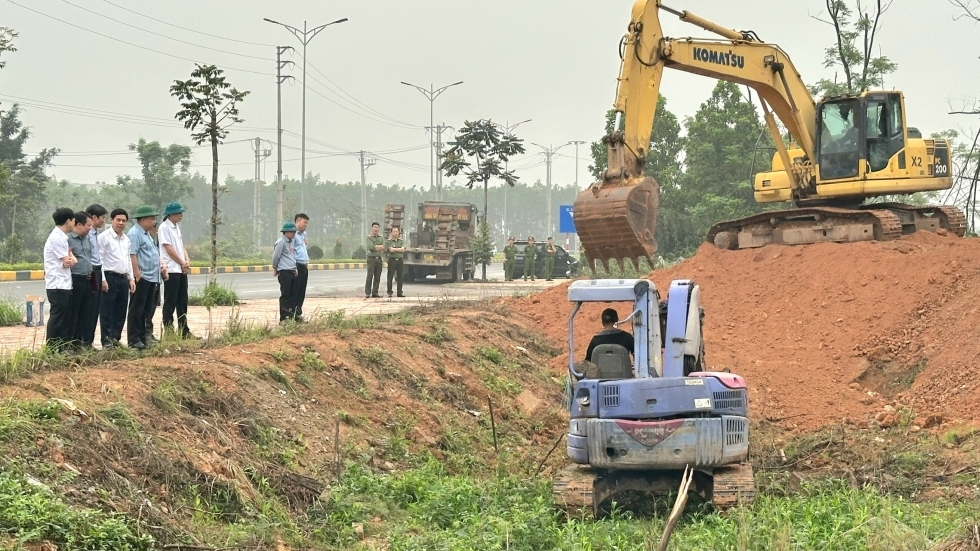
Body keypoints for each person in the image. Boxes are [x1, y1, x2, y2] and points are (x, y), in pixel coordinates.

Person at [127, 205, 163, 350]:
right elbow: (132, 254)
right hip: (142, 277)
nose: (154, 222)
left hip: (152, 277)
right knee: (137, 309)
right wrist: (136, 274)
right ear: (143, 220)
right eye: (151, 219)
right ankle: (134, 339)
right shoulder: (135, 233)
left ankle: (143, 337)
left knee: (146, 310)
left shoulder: (146, 234)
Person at [98, 208, 135, 349]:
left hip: (123, 278)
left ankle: (115, 339)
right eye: (118, 220)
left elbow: (128, 259)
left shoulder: (126, 239)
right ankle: (106, 341)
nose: (121, 223)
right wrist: (102, 279)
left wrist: (131, 279)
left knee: (120, 310)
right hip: (109, 277)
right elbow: (99, 260)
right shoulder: (104, 237)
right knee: (107, 311)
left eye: (123, 221)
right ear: (111, 220)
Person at [43, 207, 77, 352]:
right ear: (68, 220)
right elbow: (68, 261)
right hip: (57, 284)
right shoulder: (57, 237)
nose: (74, 223)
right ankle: (51, 348)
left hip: (64, 283)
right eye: (73, 220)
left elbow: (70, 260)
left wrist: (70, 259)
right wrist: (70, 259)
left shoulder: (62, 237)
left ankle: (62, 346)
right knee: (57, 317)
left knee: (64, 317)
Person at [159, 201, 193, 338]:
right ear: (170, 214)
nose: (181, 215)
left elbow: (181, 246)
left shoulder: (176, 227)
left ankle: (184, 330)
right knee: (170, 301)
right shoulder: (164, 227)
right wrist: (181, 262)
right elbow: (168, 248)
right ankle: (168, 330)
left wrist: (187, 260)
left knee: (182, 301)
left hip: (180, 268)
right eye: (178, 213)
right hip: (172, 269)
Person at [66, 211, 94, 350]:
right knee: (73, 313)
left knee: (85, 313)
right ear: (78, 224)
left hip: (88, 279)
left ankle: (79, 343)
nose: (90, 228)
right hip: (75, 280)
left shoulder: (87, 238)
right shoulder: (68, 239)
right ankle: (69, 343)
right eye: (88, 225)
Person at [82, 204, 107, 348]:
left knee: (95, 308)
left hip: (97, 270)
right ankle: (85, 341)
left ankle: (89, 342)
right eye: (102, 218)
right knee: (89, 308)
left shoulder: (95, 234)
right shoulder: (86, 234)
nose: (104, 221)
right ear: (94, 217)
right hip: (90, 271)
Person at [272, 222, 299, 323]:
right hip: (284, 272)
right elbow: (276, 257)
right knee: (285, 295)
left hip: (292, 271)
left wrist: (295, 268)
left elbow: (291, 256)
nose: (293, 234)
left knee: (292, 295)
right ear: (285, 232)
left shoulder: (291, 242)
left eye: (294, 232)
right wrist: (275, 268)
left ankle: (291, 316)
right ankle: (284, 318)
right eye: (292, 232)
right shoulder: (281, 242)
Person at [144, 222, 162, 343]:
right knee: (146, 309)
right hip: (147, 278)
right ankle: (145, 334)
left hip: (156, 277)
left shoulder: (151, 239)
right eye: (154, 226)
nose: (156, 229)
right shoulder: (141, 237)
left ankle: (149, 333)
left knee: (152, 306)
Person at [291, 213, 310, 320]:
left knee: (302, 291)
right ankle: (291, 314)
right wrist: (294, 267)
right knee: (295, 291)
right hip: (297, 266)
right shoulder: (293, 235)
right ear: (297, 221)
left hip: (304, 265)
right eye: (304, 222)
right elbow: (291, 252)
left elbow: (303, 249)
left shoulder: (304, 235)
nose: (306, 225)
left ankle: (298, 314)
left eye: (307, 223)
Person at [364, 222, 384, 298]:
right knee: (370, 276)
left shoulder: (381, 238)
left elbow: (384, 247)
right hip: (371, 259)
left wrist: (376, 247)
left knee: (377, 276)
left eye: (377, 227)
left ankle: (375, 292)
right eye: (374, 227)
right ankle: (367, 292)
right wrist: (379, 247)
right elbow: (370, 247)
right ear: (372, 228)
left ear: (379, 229)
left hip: (379, 259)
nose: (376, 229)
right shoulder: (368, 237)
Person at [385, 226, 406, 298]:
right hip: (392, 260)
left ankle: (399, 292)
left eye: (396, 232)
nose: (395, 233)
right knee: (390, 276)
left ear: (398, 233)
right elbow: (390, 250)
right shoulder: (389, 241)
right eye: (394, 232)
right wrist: (398, 249)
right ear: (391, 233)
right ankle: (389, 292)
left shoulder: (401, 241)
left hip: (400, 260)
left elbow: (403, 250)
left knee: (400, 277)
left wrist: (395, 249)